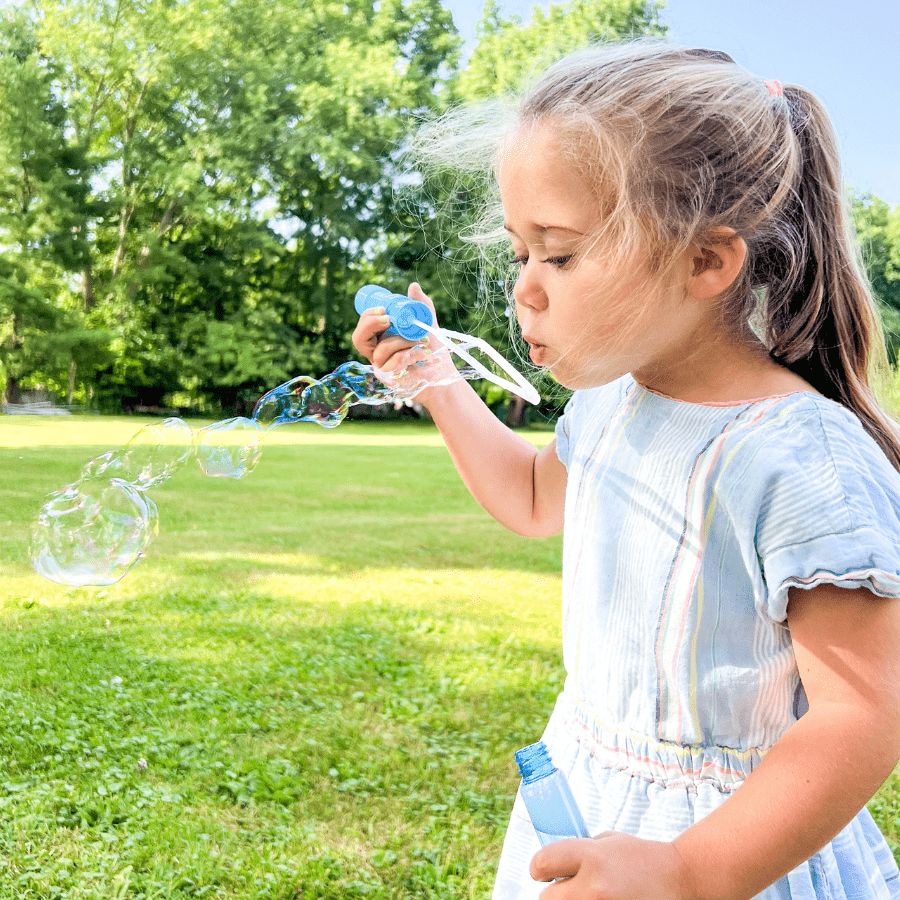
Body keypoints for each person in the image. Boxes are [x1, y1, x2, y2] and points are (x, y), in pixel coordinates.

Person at [352, 40, 900, 900]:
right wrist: (436, 383)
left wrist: (688, 870)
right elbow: (535, 498)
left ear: (706, 261)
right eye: (519, 253)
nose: (525, 289)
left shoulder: (800, 458)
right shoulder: (611, 404)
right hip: (591, 801)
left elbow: (863, 716)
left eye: (559, 254)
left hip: (734, 849)